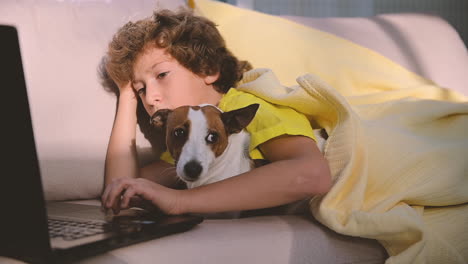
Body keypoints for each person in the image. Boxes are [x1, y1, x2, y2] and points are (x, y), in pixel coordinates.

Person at [100, 9, 331, 216]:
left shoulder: (250, 108)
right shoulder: (185, 142)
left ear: (207, 69)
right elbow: (120, 190)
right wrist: (126, 94)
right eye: (141, 89)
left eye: (161, 75)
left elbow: (313, 174)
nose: (150, 98)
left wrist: (180, 200)